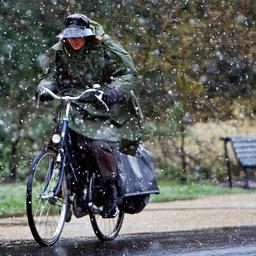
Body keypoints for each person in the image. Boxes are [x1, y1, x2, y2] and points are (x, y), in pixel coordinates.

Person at [36, 14, 144, 218]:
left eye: (78, 36)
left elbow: (128, 73)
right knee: (59, 140)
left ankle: (112, 190)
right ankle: (66, 187)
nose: (74, 40)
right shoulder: (60, 51)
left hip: (102, 105)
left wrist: (114, 91)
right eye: (70, 37)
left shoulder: (106, 47)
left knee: (97, 146)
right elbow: (49, 76)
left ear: (88, 35)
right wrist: (45, 88)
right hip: (74, 104)